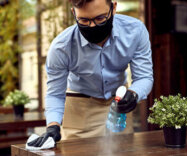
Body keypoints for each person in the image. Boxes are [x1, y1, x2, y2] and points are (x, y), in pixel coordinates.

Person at [28, 0, 153, 147]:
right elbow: (55, 94)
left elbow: (144, 76)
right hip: (80, 107)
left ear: (113, 8)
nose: (92, 26)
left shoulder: (135, 31)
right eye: (84, 20)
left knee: (122, 151)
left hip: (119, 106)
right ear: (74, 13)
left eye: (100, 18)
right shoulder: (61, 47)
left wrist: (134, 93)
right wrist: (53, 126)